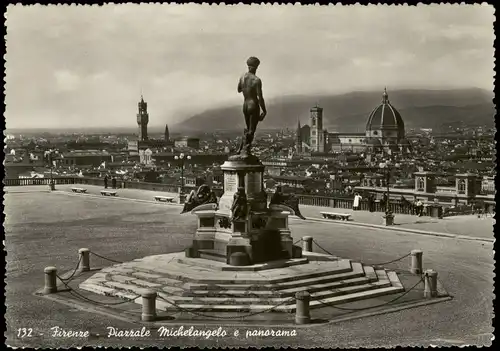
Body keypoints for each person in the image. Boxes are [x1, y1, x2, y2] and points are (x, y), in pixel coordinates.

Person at [237, 56, 267, 155]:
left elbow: (239, 89)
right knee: (251, 130)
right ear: (256, 67)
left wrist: (246, 89)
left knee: (246, 128)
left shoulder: (242, 77)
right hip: (253, 105)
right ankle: (246, 151)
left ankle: (240, 149)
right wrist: (264, 110)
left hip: (245, 105)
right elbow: (260, 97)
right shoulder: (256, 80)